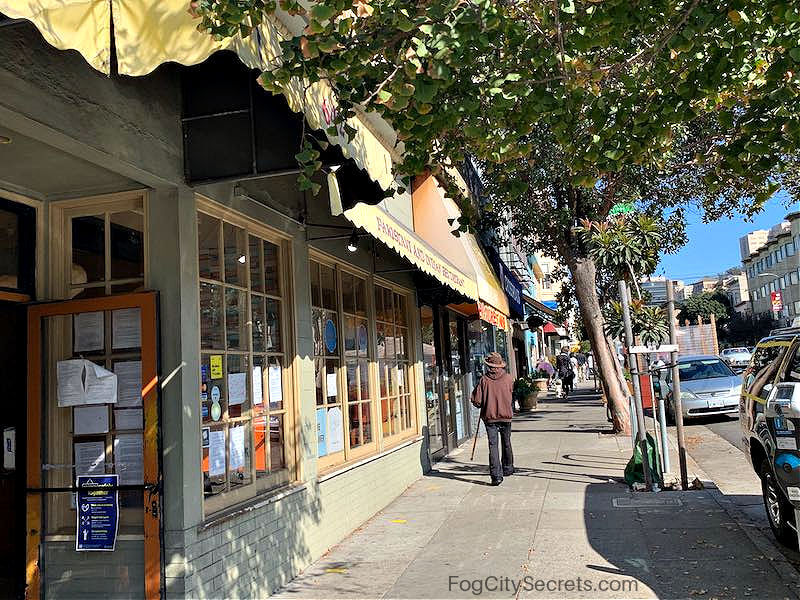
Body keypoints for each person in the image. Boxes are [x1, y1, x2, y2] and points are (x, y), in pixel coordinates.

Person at [471, 352, 514, 486]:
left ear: (489, 366)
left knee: (493, 445)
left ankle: (496, 476)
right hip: (506, 416)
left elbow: (477, 401)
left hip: (490, 418)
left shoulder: (484, 380)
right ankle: (508, 468)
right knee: (506, 442)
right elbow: (512, 394)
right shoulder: (508, 378)